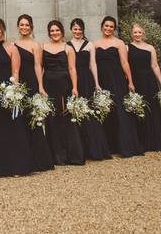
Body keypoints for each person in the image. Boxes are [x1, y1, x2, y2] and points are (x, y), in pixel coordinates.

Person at [0, 18, 35, 176]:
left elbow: (15, 72)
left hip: (6, 93)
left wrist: (13, 92)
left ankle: (15, 166)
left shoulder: (12, 48)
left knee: (11, 129)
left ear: (3, 29)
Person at [91, 16, 144, 158]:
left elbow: (125, 63)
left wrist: (130, 82)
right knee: (104, 112)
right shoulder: (95, 44)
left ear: (114, 29)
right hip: (102, 80)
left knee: (121, 112)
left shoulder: (119, 43)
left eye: (111, 27)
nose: (108, 29)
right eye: (106, 26)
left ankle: (125, 146)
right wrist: (96, 83)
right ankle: (108, 146)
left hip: (117, 80)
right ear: (101, 26)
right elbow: (93, 64)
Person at [40, 20, 85, 165]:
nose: (55, 33)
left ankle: (72, 155)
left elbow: (72, 69)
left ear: (62, 32)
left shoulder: (68, 48)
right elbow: (40, 68)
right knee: (51, 119)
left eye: (57, 30)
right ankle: (56, 156)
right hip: (48, 84)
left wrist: (75, 87)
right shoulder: (43, 47)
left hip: (64, 84)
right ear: (49, 32)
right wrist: (40, 86)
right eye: (52, 31)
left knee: (66, 118)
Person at [128, 23, 161, 152]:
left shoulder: (150, 48)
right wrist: (129, 82)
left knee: (153, 108)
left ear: (143, 33)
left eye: (139, 32)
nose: (137, 34)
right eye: (135, 32)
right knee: (138, 109)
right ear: (131, 34)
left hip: (149, 81)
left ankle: (157, 139)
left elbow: (154, 66)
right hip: (135, 81)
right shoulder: (127, 48)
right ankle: (141, 141)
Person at [14, 15, 54, 172]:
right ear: (18, 26)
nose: (24, 27)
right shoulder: (13, 44)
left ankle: (40, 160)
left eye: (27, 25)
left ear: (31, 27)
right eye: (21, 25)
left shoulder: (36, 45)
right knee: (19, 120)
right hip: (18, 84)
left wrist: (41, 86)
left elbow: (38, 66)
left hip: (30, 82)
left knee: (33, 119)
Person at [69, 18, 112, 161]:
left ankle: (93, 149)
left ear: (83, 30)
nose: (77, 32)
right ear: (71, 30)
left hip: (86, 80)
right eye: (75, 29)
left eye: (79, 29)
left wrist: (97, 83)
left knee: (89, 113)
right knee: (74, 113)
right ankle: (77, 150)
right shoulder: (66, 45)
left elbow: (93, 64)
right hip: (71, 80)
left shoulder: (90, 45)